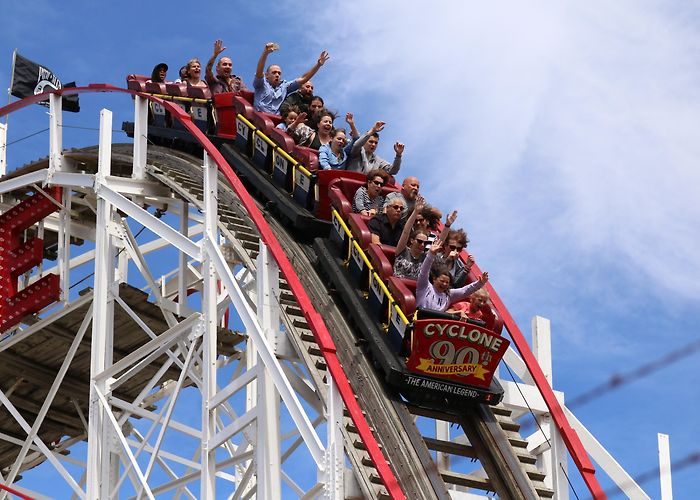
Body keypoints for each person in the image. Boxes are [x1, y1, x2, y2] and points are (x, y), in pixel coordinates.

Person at [253, 42, 330, 114]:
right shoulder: (261, 83)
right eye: (274, 72)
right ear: (266, 75)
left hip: (275, 121)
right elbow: (259, 72)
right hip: (259, 117)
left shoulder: (284, 87)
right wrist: (265, 53)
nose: (277, 75)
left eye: (279, 73)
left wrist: (318, 65)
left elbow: (304, 79)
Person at [416, 238, 489, 312]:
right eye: (442, 281)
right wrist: (431, 254)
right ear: (434, 279)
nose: (444, 284)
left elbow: (466, 291)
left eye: (447, 282)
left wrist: (480, 283)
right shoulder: (425, 286)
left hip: (435, 322)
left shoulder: (449, 294)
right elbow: (424, 271)